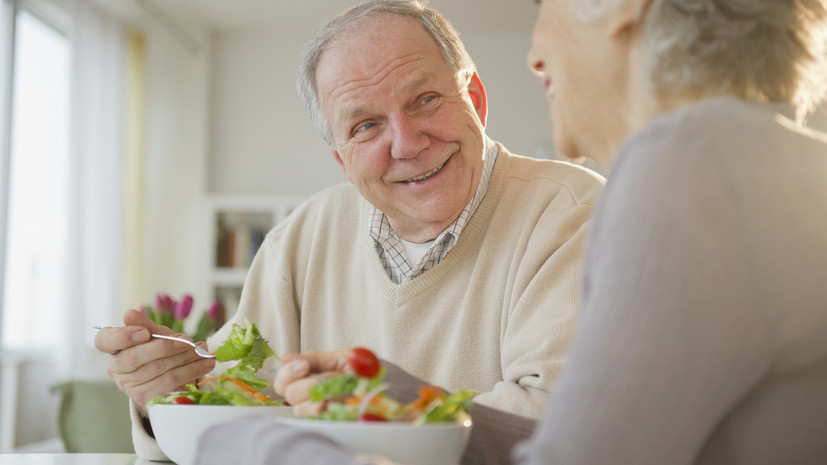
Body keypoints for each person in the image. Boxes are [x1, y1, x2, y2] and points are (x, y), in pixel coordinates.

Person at [196, 0, 827, 464]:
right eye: (364, 127)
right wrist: (412, 404)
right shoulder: (772, 158)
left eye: (543, 5)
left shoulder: (684, 162)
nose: (534, 53)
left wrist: (254, 443)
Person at [94, 0, 604, 462]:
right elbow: (235, 402)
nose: (406, 143)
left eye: (425, 100)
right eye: (366, 126)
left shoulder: (575, 214)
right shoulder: (302, 236)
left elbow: (558, 427)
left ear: (474, 97)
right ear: (341, 158)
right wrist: (170, 388)